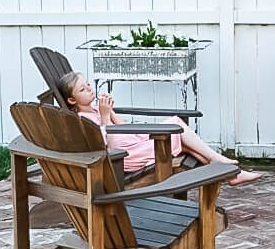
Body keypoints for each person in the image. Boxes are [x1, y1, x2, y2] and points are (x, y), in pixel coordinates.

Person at [56, 71, 263, 185]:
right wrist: (103, 116)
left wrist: (109, 112)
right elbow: (109, 144)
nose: (90, 90)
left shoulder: (95, 108)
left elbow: (122, 128)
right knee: (177, 130)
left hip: (133, 145)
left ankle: (228, 171)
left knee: (178, 130)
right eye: (83, 89)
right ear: (72, 99)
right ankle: (226, 168)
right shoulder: (82, 119)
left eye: (89, 85)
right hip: (122, 159)